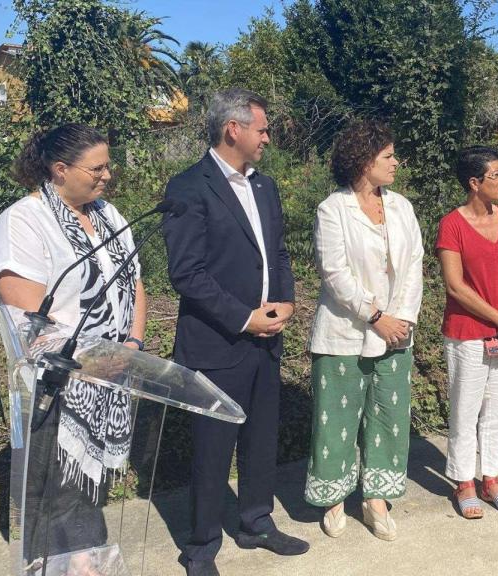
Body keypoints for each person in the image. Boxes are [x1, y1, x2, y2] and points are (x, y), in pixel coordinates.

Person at [0, 123, 147, 575]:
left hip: (109, 376)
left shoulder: (110, 216)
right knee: (52, 484)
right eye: (97, 168)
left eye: (107, 165)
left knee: (85, 485)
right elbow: (28, 309)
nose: (107, 175)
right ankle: (50, 564)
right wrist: (91, 359)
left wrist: (131, 345)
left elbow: (134, 285)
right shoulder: (23, 221)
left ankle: (84, 559)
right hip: (53, 382)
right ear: (59, 170)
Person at [162, 88, 307, 576]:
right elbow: (186, 273)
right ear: (234, 130)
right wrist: (244, 317)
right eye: (262, 129)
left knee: (261, 437)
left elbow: (278, 253)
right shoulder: (188, 187)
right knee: (212, 448)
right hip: (218, 340)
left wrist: (285, 301)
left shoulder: (264, 186)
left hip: (267, 337)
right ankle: (201, 546)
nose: (268, 137)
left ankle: (255, 522)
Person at [304, 119, 423, 541]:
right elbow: (334, 274)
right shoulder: (332, 209)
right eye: (388, 156)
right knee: (336, 417)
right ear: (363, 161)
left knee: (389, 417)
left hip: (396, 333)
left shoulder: (401, 207)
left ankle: (376, 499)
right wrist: (376, 317)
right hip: (345, 332)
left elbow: (413, 266)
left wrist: (402, 318)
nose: (396, 162)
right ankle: (334, 496)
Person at [437, 146, 498, 519]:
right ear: (474, 183)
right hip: (468, 333)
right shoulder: (452, 225)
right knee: (465, 408)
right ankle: (464, 482)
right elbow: (455, 286)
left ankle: (491, 477)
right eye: (495, 174)